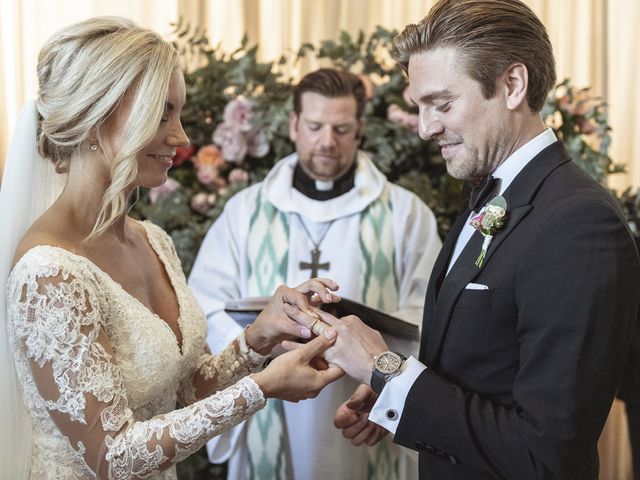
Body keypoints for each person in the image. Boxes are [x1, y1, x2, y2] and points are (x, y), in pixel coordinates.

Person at [293, 1, 640, 479]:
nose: (425, 127)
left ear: (512, 85)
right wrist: (394, 391)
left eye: (442, 103)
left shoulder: (579, 223)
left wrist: (387, 368)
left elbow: (547, 455)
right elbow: (489, 363)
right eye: (419, 107)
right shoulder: (487, 190)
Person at [0, 17, 346, 480]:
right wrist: (260, 389)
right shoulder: (48, 272)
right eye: (161, 113)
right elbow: (111, 457)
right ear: (96, 116)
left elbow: (182, 393)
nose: (181, 137)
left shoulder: (153, 241)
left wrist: (258, 340)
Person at [188, 68, 442, 479]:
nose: (327, 141)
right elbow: (204, 306)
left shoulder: (404, 213)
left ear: (359, 129)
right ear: (293, 125)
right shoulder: (246, 212)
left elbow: (429, 318)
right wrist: (262, 348)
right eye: (315, 126)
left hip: (363, 403)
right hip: (269, 402)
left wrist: (387, 388)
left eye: (341, 129)